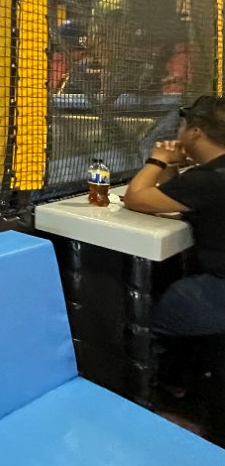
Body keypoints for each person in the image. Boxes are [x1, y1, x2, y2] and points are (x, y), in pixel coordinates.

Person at [122, 96, 225, 424]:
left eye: (182, 126)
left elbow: (136, 197)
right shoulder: (209, 176)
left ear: (195, 132)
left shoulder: (209, 178)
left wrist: (157, 159)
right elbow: (172, 196)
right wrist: (172, 167)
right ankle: (178, 384)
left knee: (143, 322)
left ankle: (143, 399)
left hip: (219, 291)